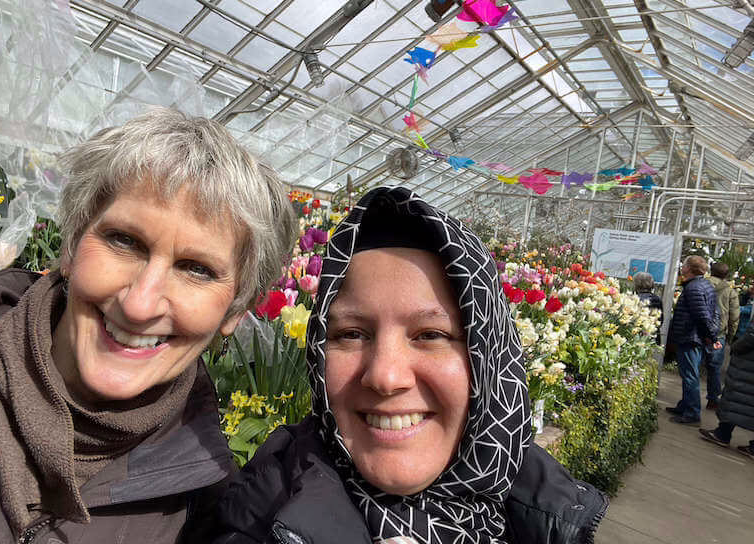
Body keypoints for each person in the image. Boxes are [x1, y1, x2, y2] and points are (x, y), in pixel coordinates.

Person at [0, 109, 296, 543]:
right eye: (123, 241)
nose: (139, 305)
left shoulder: (207, 510)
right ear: (72, 245)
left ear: (235, 310)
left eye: (197, 269)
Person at [205, 187, 608, 544]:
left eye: (430, 335)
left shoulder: (547, 515)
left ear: (491, 357)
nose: (385, 375)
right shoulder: (259, 518)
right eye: (351, 334)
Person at [665, 255, 719, 425]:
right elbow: (714, 312)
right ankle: (685, 405)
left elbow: (702, 316)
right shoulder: (704, 285)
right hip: (694, 336)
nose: (682, 267)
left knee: (690, 375)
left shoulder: (694, 288)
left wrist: (711, 336)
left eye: (684, 265)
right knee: (689, 373)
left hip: (690, 337)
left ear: (689, 268)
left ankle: (692, 413)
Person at [698, 318, 754, 460]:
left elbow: (751, 336)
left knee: (735, 398)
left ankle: (722, 434)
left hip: (747, 366)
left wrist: (735, 346)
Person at [707, 262, 740, 406]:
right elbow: (734, 317)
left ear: (711, 271)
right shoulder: (730, 292)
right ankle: (713, 399)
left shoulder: (702, 284)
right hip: (718, 334)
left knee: (693, 367)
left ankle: (689, 400)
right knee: (714, 369)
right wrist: (730, 337)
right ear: (726, 275)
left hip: (699, 333)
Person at [633, 272, 662, 348]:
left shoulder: (634, 298)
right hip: (651, 336)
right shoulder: (657, 299)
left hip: (636, 336)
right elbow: (660, 320)